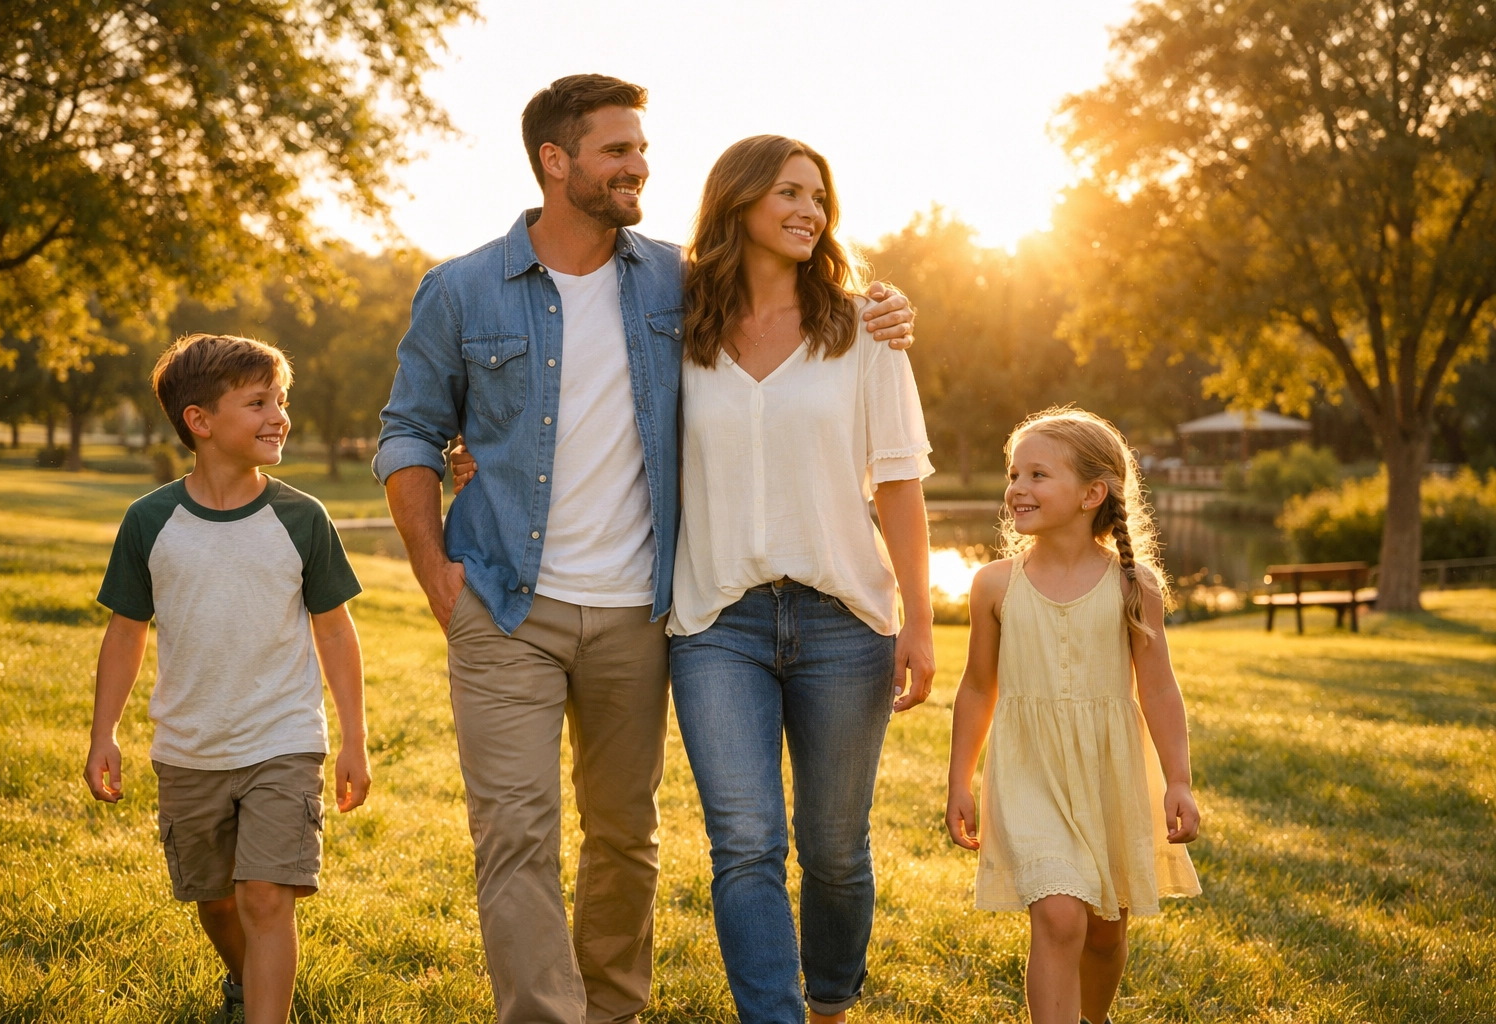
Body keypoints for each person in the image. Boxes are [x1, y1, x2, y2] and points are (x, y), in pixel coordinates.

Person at [375, 75, 914, 1024]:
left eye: (641, 149)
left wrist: (881, 308)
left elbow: (789, 302)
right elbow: (410, 433)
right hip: (504, 601)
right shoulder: (460, 290)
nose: (640, 167)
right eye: (618, 151)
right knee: (517, 835)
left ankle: (616, 1007)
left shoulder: (676, 279)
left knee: (625, 836)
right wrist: (434, 571)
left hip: (641, 609)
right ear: (557, 161)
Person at [664, 134, 936, 1024]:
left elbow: (897, 481)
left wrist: (921, 624)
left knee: (834, 850)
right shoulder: (675, 325)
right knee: (744, 845)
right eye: (787, 192)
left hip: (844, 620)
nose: (808, 212)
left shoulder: (865, 328)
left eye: (818, 197)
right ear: (737, 201)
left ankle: (830, 1005)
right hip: (716, 622)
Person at [83, 333, 371, 1024]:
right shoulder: (150, 521)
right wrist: (104, 734)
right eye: (259, 402)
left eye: (282, 400)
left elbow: (334, 630)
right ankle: (250, 981)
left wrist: (355, 738)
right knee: (216, 901)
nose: (280, 416)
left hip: (282, 738)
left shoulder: (302, 518)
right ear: (200, 421)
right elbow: (126, 632)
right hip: (190, 747)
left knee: (266, 896)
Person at [946, 408, 1202, 1024]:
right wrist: (960, 778)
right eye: (1014, 474)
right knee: (1060, 916)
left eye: (1038, 474)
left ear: (1093, 493)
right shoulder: (993, 586)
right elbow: (978, 687)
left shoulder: (1133, 587)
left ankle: (1094, 1018)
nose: (1017, 489)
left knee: (1105, 930)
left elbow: (1159, 690)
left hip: (1109, 775)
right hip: (1031, 772)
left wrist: (1178, 780)